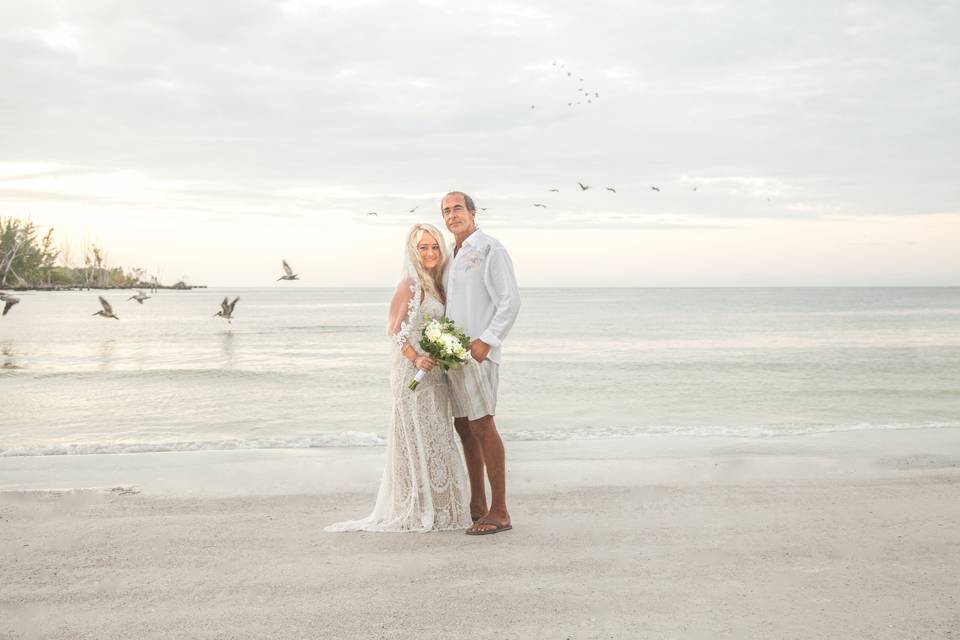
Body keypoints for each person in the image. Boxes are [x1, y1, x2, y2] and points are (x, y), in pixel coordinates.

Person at [325, 224, 472, 533]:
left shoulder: (437, 284)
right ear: (413, 251)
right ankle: (416, 508)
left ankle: (443, 508)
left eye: (435, 247)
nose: (430, 253)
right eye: (423, 248)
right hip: (412, 373)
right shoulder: (410, 285)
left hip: (436, 374)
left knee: (437, 437)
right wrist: (415, 357)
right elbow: (393, 329)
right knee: (413, 439)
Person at [440, 191, 521, 535]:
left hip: (478, 354)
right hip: (452, 354)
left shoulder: (490, 248)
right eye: (446, 211)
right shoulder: (451, 255)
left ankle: (500, 510)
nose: (452, 214)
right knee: (464, 426)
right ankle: (477, 505)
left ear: (472, 212)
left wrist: (486, 341)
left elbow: (510, 300)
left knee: (483, 424)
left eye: (457, 208)